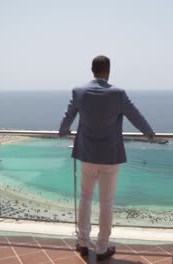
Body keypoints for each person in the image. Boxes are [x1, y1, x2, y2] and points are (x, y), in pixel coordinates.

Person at [59, 55, 155, 261]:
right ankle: (102, 247)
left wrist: (63, 132)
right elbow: (135, 116)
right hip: (110, 157)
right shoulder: (118, 94)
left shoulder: (79, 91)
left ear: (92, 70)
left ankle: (83, 242)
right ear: (108, 71)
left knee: (85, 198)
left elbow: (67, 117)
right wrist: (149, 134)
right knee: (106, 202)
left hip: (86, 155)